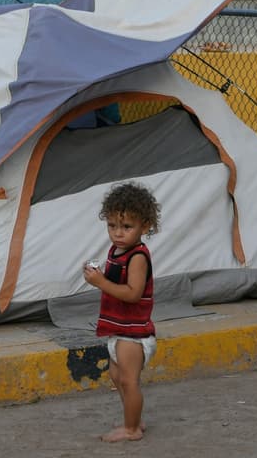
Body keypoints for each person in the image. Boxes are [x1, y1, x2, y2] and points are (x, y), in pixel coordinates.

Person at [82, 182, 160, 442]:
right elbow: (115, 282)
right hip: (119, 328)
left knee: (128, 380)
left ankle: (132, 429)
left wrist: (100, 283)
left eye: (126, 227)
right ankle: (133, 417)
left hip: (133, 332)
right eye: (112, 225)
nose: (118, 233)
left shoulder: (137, 257)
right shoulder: (117, 251)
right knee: (117, 376)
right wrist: (100, 276)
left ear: (145, 226)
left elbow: (133, 293)